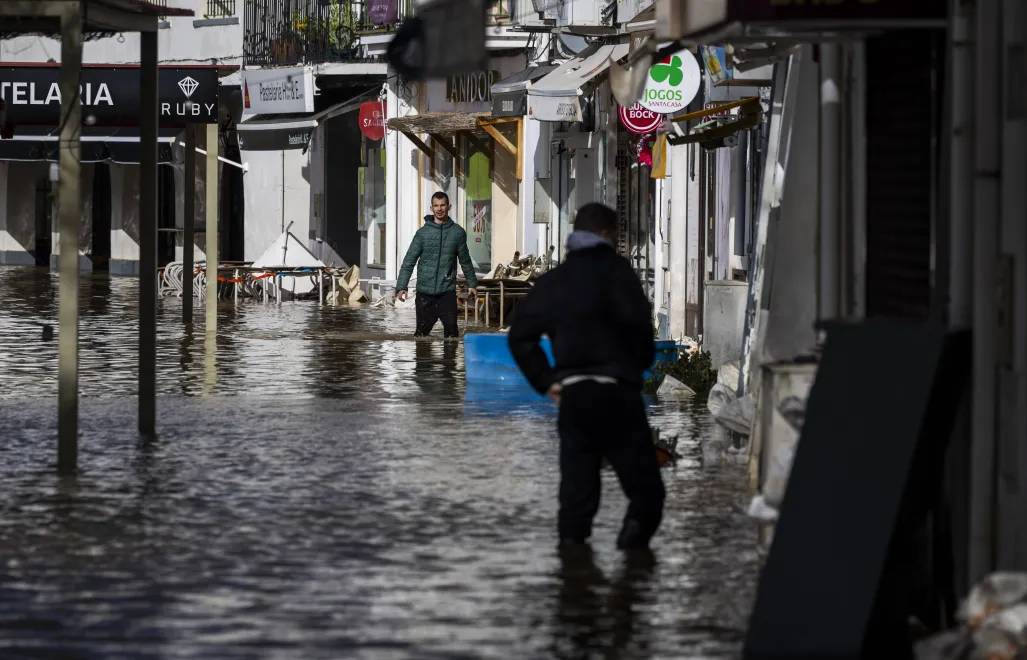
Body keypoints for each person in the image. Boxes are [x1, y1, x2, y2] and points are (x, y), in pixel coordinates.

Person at [507, 202, 665, 550]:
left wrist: (547, 381)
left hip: (575, 398)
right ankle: (632, 571)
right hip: (619, 395)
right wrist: (632, 373)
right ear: (607, 234)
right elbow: (642, 335)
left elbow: (519, 337)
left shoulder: (554, 281)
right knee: (646, 492)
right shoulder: (621, 274)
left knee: (577, 496)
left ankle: (574, 580)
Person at [396, 192, 479, 338]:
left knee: (452, 335)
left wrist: (472, 283)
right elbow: (409, 261)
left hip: (446, 292)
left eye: (442, 205)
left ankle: (449, 361)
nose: (439, 209)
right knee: (421, 336)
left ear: (449, 207)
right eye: (436, 206)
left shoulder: (457, 232)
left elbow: (465, 261)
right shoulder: (422, 233)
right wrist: (402, 286)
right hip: (424, 294)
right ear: (431, 208)